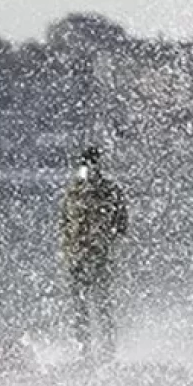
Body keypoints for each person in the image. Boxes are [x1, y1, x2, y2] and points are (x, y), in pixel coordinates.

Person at [59, 146, 128, 361]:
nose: (89, 169)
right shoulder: (72, 191)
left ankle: (107, 350)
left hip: (100, 256)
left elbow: (122, 224)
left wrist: (106, 241)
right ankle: (84, 350)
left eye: (92, 164)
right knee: (80, 306)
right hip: (77, 256)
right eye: (85, 164)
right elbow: (64, 223)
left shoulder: (110, 191)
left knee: (102, 304)